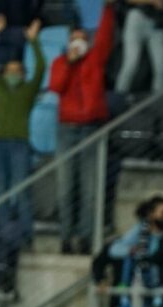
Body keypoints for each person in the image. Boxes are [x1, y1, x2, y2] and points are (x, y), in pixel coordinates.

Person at [49, 0, 116, 254]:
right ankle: (66, 237)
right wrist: (69, 61)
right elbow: (56, 86)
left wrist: (108, 9)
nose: (78, 43)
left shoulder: (95, 60)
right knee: (66, 188)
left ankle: (86, 238)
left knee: (90, 189)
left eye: (82, 39)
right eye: (74, 40)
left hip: (91, 128)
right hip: (66, 129)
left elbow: (106, 36)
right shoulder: (60, 62)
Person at [0, 14, 45, 248]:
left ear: (23, 74)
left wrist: (34, 41)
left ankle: (26, 237)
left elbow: (41, 68)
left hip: (19, 144)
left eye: (17, 70)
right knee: (2, 195)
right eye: (9, 70)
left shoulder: (28, 91)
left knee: (22, 193)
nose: (12, 74)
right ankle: (4, 237)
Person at [114, 0, 163, 93]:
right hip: (137, 17)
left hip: (158, 22)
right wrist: (153, 2)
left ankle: (158, 100)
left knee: (161, 67)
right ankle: (119, 96)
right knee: (131, 63)